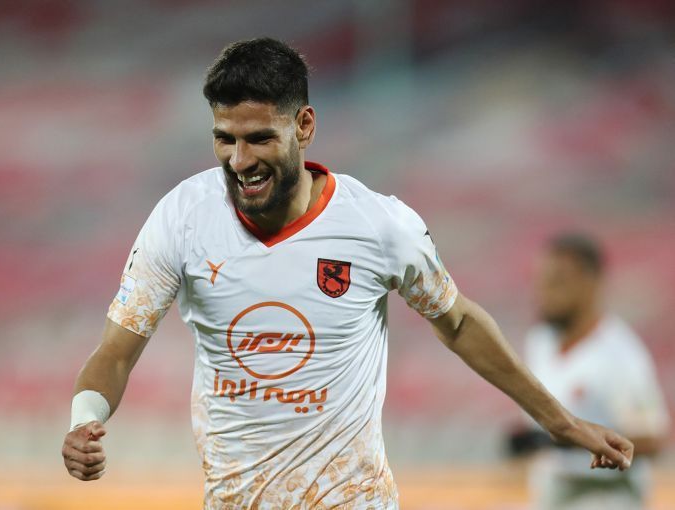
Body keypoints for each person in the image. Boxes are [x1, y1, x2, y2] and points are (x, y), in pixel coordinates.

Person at [61, 38, 634, 509]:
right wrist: (85, 419)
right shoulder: (182, 219)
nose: (239, 161)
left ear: (304, 125)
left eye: (259, 138)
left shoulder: (379, 226)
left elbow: (457, 323)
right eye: (224, 139)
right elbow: (117, 351)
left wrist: (561, 423)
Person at [519, 233, 670, 510]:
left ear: (591, 283)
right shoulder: (540, 341)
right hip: (552, 489)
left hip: (606, 494)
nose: (544, 292)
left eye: (558, 281)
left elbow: (653, 440)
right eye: (541, 281)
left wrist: (571, 440)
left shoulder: (620, 355)